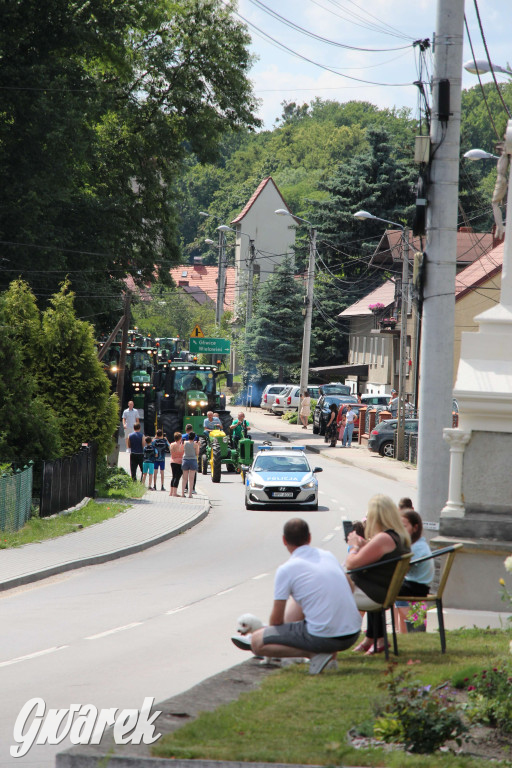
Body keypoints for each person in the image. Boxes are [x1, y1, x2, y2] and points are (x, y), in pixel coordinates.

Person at [234, 518, 362, 675]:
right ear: (309, 537)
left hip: (324, 636)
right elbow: (350, 587)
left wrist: (267, 632)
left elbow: (276, 621)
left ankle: (314, 654)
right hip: (352, 633)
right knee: (303, 598)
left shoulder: (286, 569)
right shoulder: (328, 556)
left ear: (283, 540)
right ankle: (329, 657)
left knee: (256, 642)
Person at [346, 494, 411, 655]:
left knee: (320, 591)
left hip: (373, 596)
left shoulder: (383, 538)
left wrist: (354, 546)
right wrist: (364, 544)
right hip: (382, 592)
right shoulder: (397, 537)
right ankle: (371, 638)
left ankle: (319, 642)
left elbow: (351, 563)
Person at [395, 509, 434, 633]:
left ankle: (376, 635)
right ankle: (415, 626)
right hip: (416, 586)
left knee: (379, 591)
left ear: (415, 527)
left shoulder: (417, 548)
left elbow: (401, 570)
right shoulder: (417, 544)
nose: (400, 530)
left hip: (415, 587)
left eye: (404, 526)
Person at [181, 431, 199, 498]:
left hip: (185, 460)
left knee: (184, 478)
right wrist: (198, 446)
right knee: (191, 479)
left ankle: (182, 493)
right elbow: (197, 453)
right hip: (193, 460)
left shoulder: (185, 443)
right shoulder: (195, 444)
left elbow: (182, 449)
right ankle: (190, 494)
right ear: (194, 437)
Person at [169, 431, 184, 497]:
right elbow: (183, 453)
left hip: (172, 461)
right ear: (180, 438)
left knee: (173, 476)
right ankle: (175, 493)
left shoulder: (172, 444)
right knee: (177, 477)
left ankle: (171, 492)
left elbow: (171, 452)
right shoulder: (181, 446)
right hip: (179, 462)